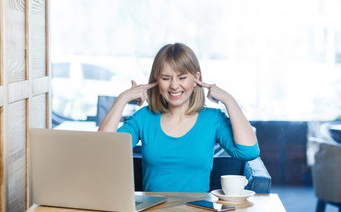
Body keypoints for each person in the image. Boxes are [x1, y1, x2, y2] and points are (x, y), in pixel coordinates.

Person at [98, 43, 259, 192]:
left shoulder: (213, 119)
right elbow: (103, 151)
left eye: (182, 78)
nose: (174, 85)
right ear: (156, 80)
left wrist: (229, 100)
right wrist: (122, 99)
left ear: (196, 78)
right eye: (166, 78)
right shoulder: (144, 118)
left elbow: (248, 151)